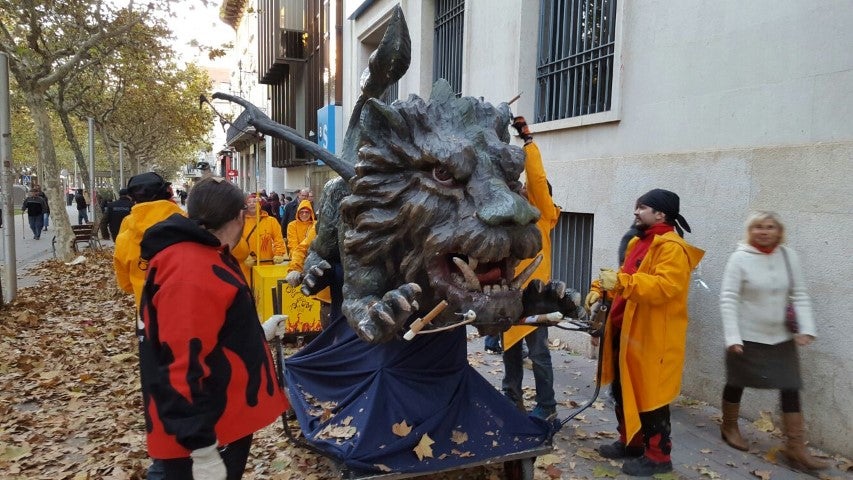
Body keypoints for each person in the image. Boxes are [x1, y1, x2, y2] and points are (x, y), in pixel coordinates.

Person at [137, 176, 288, 479]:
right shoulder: (192, 267)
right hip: (206, 430)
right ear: (237, 217)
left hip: (214, 420)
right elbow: (181, 362)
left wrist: (257, 332)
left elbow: (207, 329)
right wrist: (202, 448)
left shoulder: (201, 255)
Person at [585, 188, 704, 476]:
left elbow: (664, 288)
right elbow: (624, 275)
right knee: (623, 389)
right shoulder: (638, 243)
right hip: (626, 331)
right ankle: (631, 442)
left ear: (660, 214)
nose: (636, 212)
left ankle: (659, 457)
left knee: (651, 397)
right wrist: (599, 289)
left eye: (642, 208)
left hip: (653, 338)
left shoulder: (671, 248)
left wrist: (622, 283)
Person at [718, 211, 826, 470]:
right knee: (736, 381)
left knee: (790, 385)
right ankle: (730, 426)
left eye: (770, 227)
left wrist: (806, 329)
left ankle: (796, 448)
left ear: (779, 231)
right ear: (750, 231)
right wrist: (732, 336)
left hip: (781, 336)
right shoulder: (739, 258)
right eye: (758, 227)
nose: (764, 231)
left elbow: (799, 294)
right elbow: (728, 298)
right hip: (746, 335)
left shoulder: (788, 256)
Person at [500, 117, 562, 421]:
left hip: (535, 296)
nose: (524, 191)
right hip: (511, 291)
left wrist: (529, 143)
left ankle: (547, 406)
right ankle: (511, 398)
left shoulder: (544, 215)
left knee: (538, 353)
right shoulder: (515, 220)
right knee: (510, 348)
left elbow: (537, 179)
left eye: (528, 190)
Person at [114, 172, 186, 306]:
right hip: (186, 309)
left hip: (146, 311)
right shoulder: (189, 224)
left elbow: (126, 285)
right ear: (166, 192)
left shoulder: (125, 238)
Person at [231, 193, 287, 283]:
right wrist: (243, 256)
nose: (252, 204)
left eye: (255, 201)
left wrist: (279, 253)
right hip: (246, 265)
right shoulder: (239, 222)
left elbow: (278, 239)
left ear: (260, 204)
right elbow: (234, 241)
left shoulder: (271, 221)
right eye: (249, 202)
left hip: (266, 265)